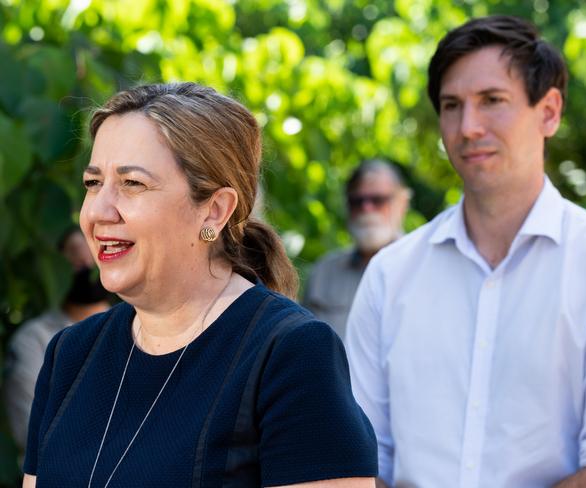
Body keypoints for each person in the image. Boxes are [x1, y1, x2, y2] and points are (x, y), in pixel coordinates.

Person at [346, 15, 586, 488]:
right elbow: (363, 462)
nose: (468, 127)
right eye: (451, 106)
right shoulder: (390, 275)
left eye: (492, 101)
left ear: (548, 111)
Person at [23, 83, 377, 488]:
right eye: (92, 183)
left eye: (132, 184)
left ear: (214, 211)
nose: (99, 211)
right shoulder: (71, 355)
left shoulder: (290, 354)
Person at [3, 228, 111, 452]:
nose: (86, 263)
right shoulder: (34, 339)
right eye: (75, 255)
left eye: (93, 252)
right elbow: (28, 429)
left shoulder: (140, 327)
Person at [303, 159, 410, 338]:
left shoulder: (424, 267)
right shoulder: (324, 273)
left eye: (378, 200)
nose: (367, 209)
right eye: (357, 201)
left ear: (402, 204)